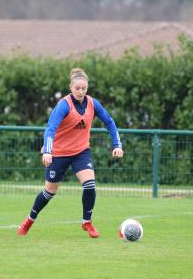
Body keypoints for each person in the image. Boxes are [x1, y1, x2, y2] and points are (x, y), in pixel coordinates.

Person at [17, 68, 123, 238]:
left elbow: (110, 122)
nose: (81, 91)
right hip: (58, 153)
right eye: (77, 88)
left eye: (84, 88)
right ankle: (29, 220)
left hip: (81, 151)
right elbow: (50, 129)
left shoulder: (93, 104)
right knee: (49, 192)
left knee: (90, 185)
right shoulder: (63, 105)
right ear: (71, 87)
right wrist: (48, 151)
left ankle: (87, 222)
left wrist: (117, 145)